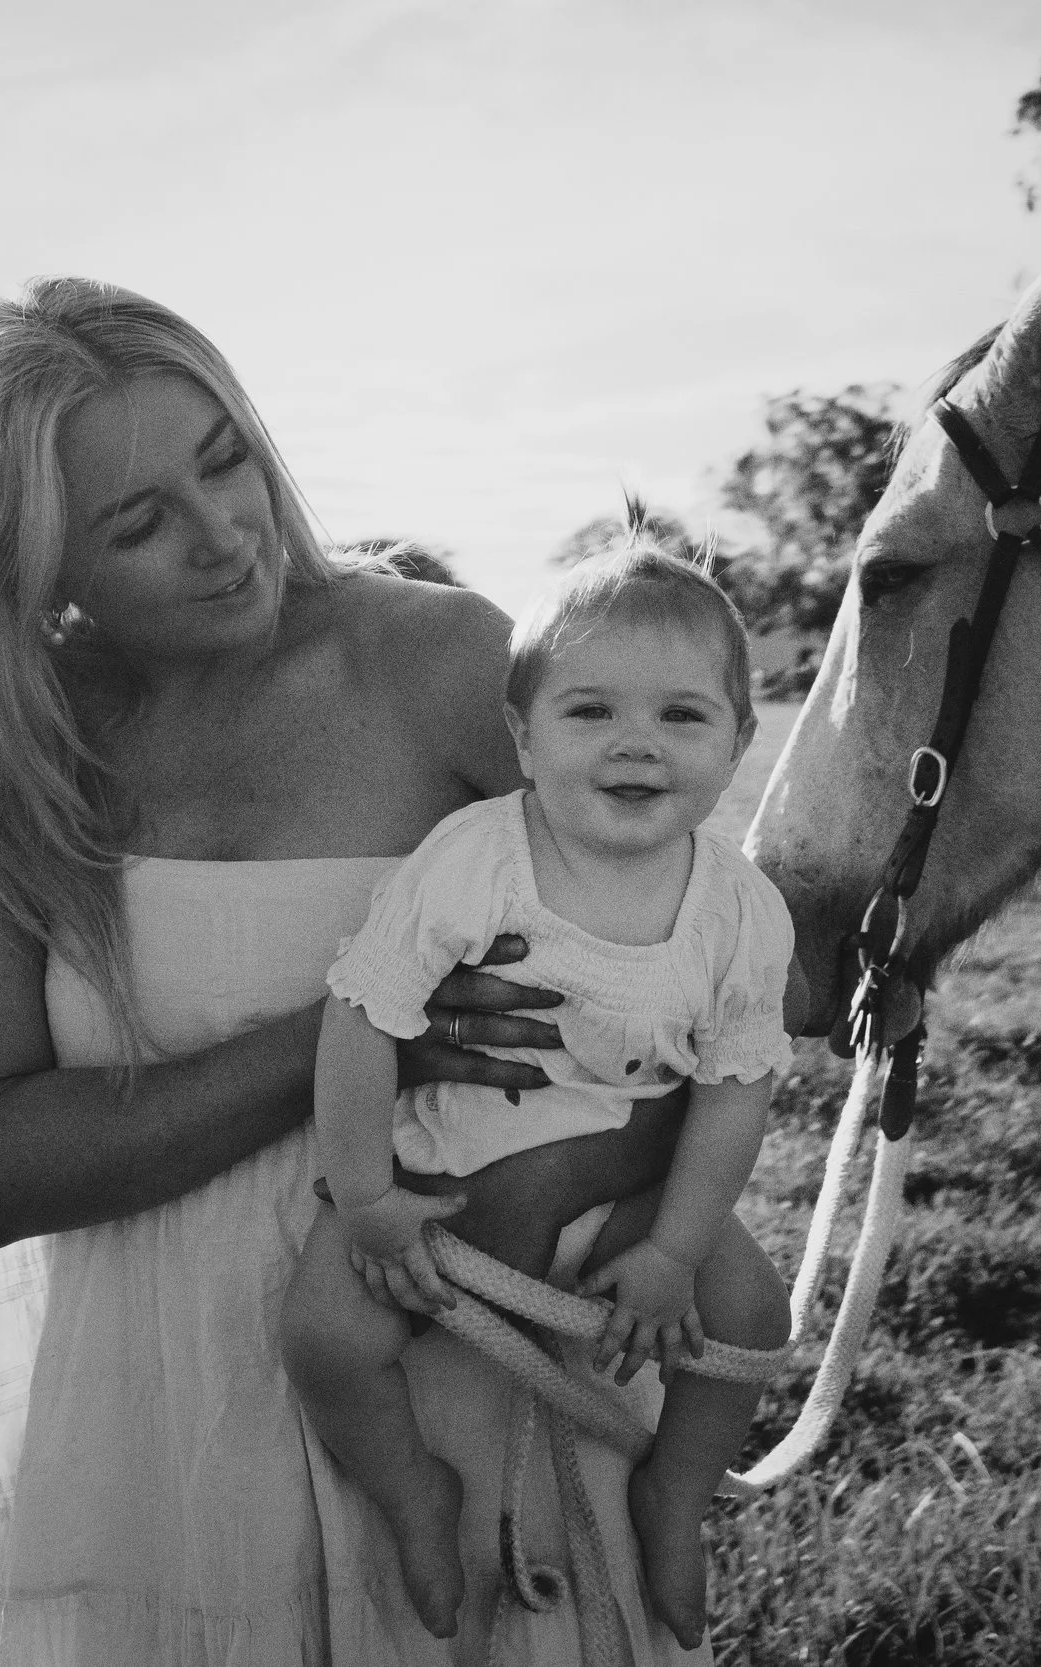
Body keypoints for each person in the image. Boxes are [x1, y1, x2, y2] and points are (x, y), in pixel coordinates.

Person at [0, 275, 716, 1665]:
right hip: (145, 1409)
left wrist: (545, 1198)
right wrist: (351, 1036)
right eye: (140, 523)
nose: (226, 538)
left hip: (453, 1332)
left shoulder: (438, 659)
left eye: (227, 462)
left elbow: (684, 977)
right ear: (33, 563)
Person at [282, 545, 793, 1649]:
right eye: (590, 708)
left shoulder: (739, 911)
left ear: (740, 743)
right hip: (441, 1168)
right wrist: (366, 1196)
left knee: (754, 1313)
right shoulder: (475, 858)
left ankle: (675, 1494)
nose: (636, 741)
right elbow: (362, 1014)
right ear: (522, 735)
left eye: (683, 715)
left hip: (627, 1168)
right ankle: (414, 1495)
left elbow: (733, 1091)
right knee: (325, 1332)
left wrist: (672, 1249)